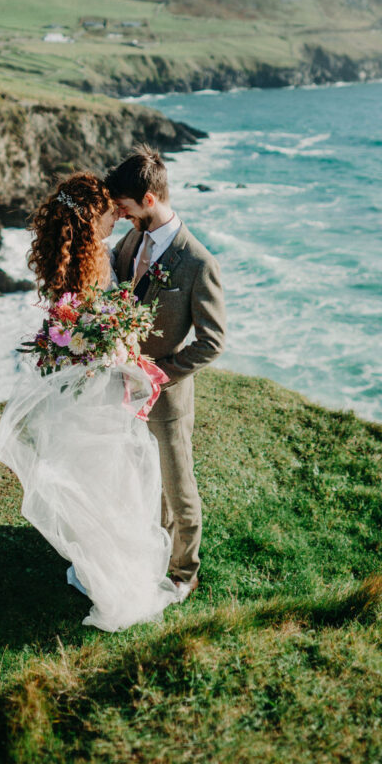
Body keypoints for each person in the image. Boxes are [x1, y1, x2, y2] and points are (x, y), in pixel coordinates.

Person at [0, 171, 180, 632]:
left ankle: (95, 561)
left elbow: (73, 319)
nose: (117, 216)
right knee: (109, 476)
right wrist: (122, 346)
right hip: (97, 381)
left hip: (79, 383)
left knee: (91, 473)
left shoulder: (69, 257)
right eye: (109, 211)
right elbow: (94, 323)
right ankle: (115, 578)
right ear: (91, 217)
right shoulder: (93, 258)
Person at [106, 145, 226, 601]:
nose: (121, 215)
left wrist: (157, 372)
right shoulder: (131, 242)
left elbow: (211, 342)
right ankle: (151, 555)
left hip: (167, 397)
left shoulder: (198, 263)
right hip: (121, 390)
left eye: (126, 207)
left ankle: (184, 572)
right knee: (141, 481)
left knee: (179, 490)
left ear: (150, 201)